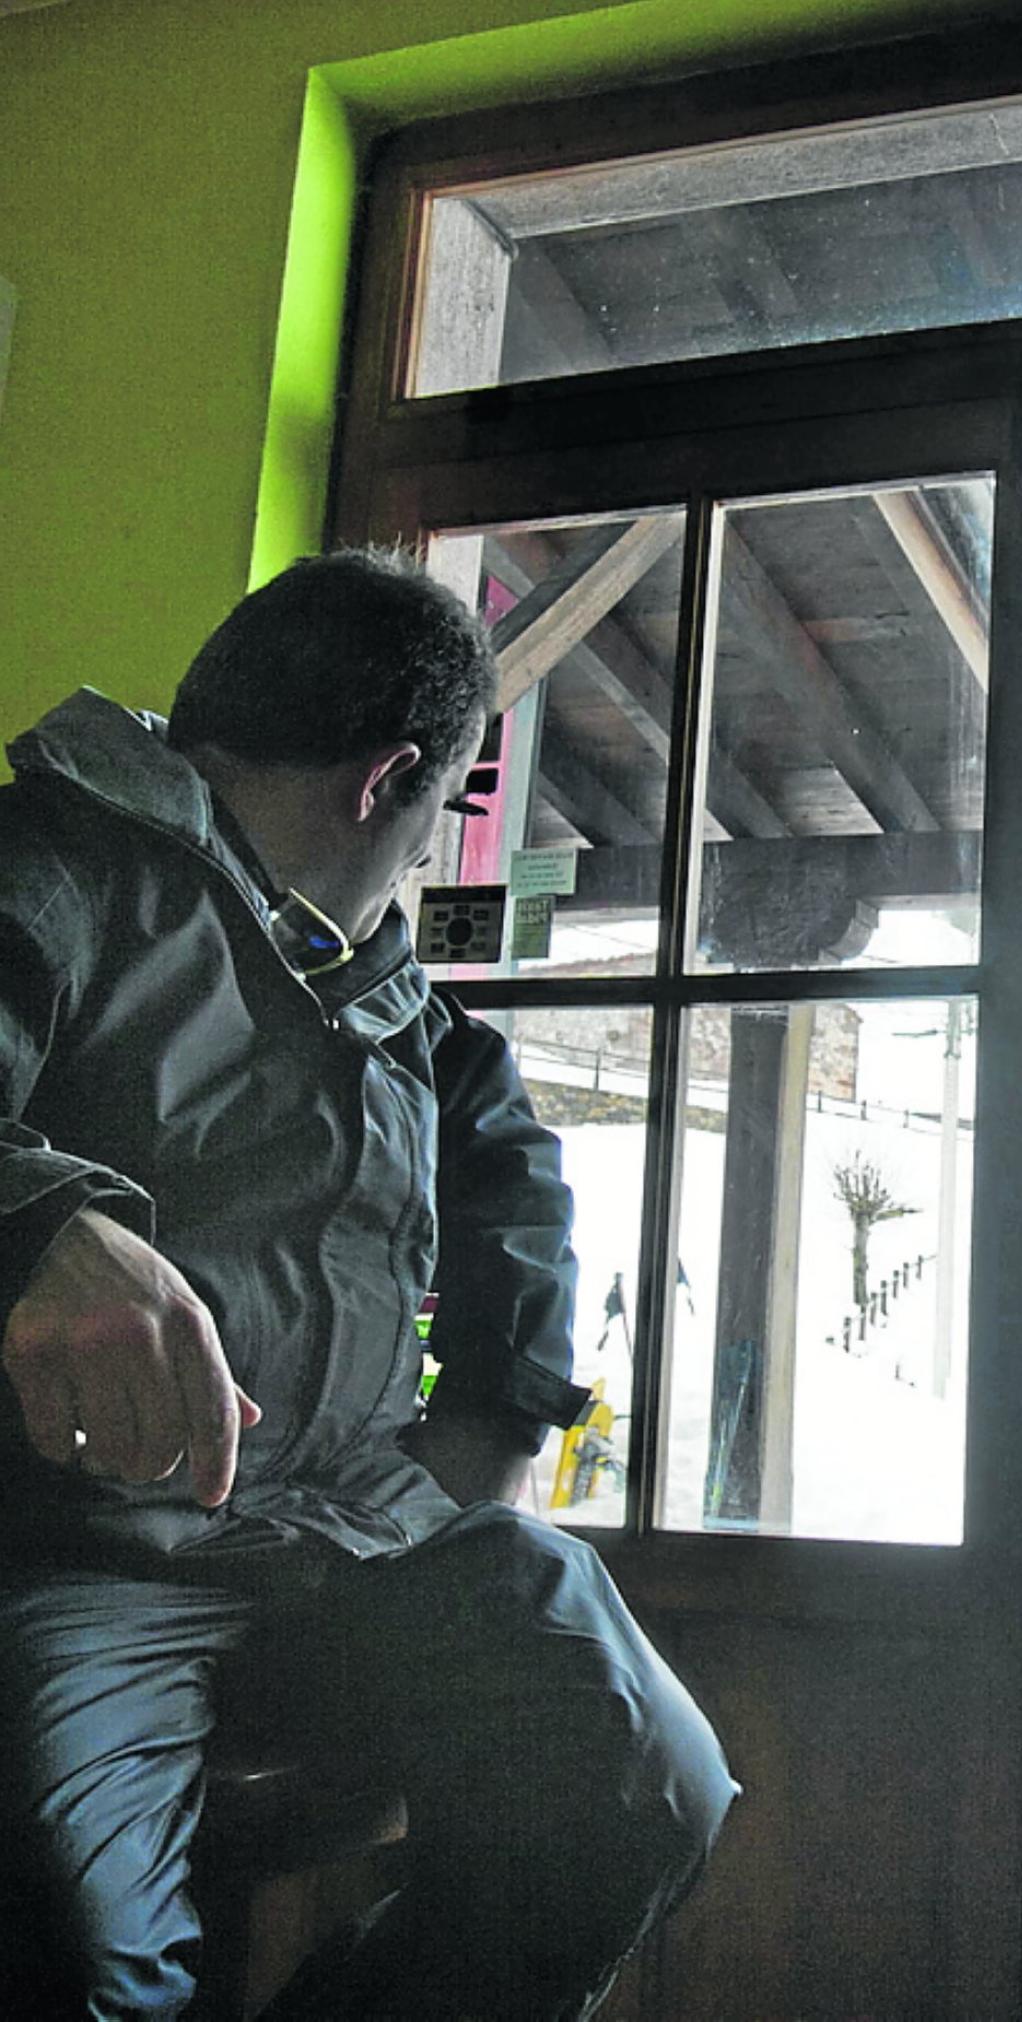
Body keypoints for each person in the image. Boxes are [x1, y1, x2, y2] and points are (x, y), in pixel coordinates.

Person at [0, 548, 737, 2017]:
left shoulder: (416, 1024)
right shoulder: (53, 867)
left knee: (643, 1768)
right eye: (440, 813)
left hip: (348, 1544)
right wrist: (42, 1222)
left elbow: (520, 1214)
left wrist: (494, 1448)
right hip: (92, 1561)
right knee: (84, 1958)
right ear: (392, 781)